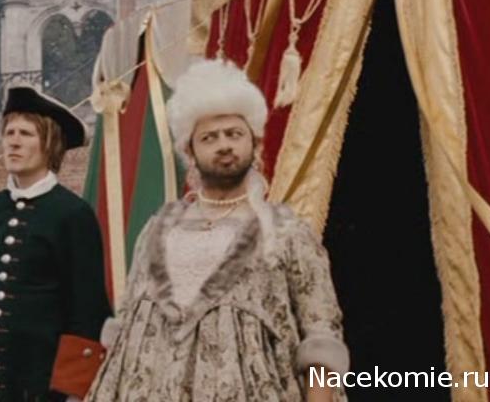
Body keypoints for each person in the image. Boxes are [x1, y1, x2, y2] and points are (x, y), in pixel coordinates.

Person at [85, 59, 350, 402]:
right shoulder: (158, 229)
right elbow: (125, 334)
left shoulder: (287, 231)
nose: (224, 144)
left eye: (234, 134)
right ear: (190, 151)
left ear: (254, 143)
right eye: (209, 137)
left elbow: (321, 335)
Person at [0, 86, 112, 402]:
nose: (13, 141)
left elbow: (87, 310)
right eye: (9, 132)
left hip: (43, 387)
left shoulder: (73, 215)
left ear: (50, 143)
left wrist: (68, 392)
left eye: (26, 133)